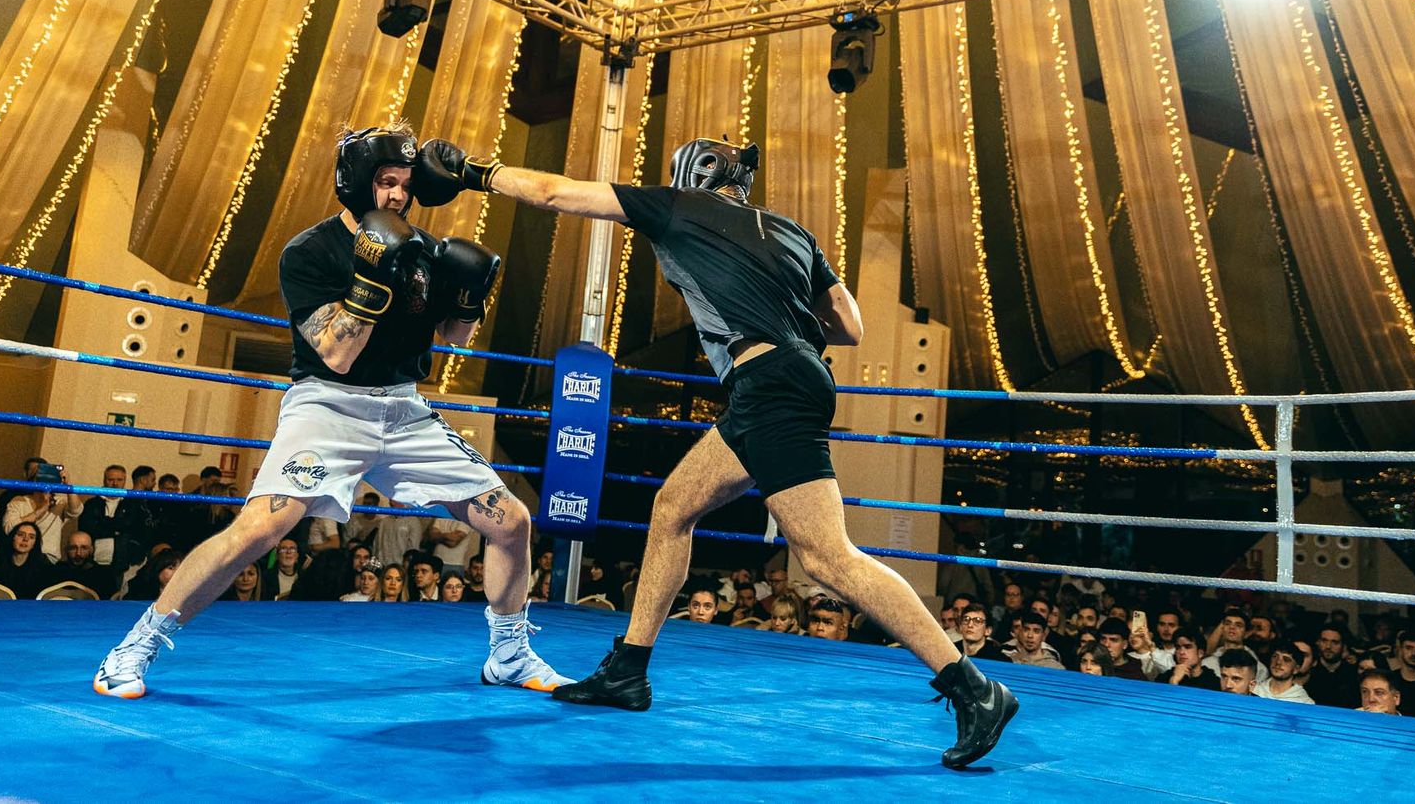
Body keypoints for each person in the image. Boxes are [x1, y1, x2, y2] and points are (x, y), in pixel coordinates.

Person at [416, 135, 1018, 767]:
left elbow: (552, 192)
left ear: (691, 176)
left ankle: (972, 687)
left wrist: (475, 173)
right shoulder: (792, 232)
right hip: (785, 379)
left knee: (827, 558)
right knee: (673, 507)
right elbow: (850, 327)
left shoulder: (676, 206)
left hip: (770, 385)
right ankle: (628, 669)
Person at [92, 123, 566, 699]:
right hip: (328, 405)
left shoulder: (422, 251)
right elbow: (338, 354)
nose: (396, 195)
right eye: (386, 182)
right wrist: (368, 280)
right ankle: (135, 645)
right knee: (259, 529)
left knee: (511, 520)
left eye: (404, 184)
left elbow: (449, 342)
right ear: (356, 184)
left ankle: (509, 655)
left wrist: (469, 295)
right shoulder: (310, 252)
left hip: (403, 409)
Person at [0, 521, 54, 598]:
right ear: (13, 538)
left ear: (34, 544)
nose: (25, 539)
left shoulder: (44, 568)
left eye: (31, 537)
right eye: (20, 535)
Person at [51, 532, 118, 600]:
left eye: (84, 548)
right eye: (73, 548)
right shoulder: (53, 573)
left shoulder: (104, 576)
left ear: (91, 550)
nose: (78, 553)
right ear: (66, 549)